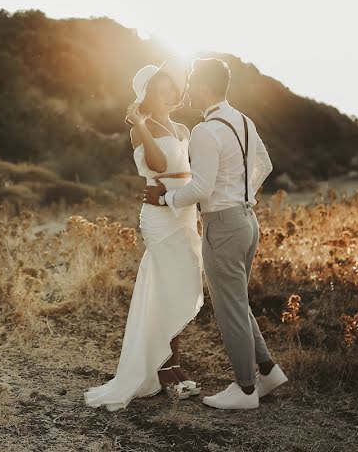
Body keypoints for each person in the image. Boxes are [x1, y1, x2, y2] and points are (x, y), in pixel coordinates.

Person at [143, 58, 288, 410]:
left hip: (223, 226)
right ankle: (267, 372)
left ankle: (245, 388)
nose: (187, 89)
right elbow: (265, 164)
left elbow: (202, 188)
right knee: (239, 303)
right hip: (247, 221)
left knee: (230, 309)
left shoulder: (207, 131)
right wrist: (242, 194)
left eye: (192, 83)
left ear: (206, 87)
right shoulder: (244, 121)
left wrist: (166, 197)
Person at [85, 59, 205, 411]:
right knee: (165, 290)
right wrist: (140, 121)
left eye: (172, 88)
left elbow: (192, 176)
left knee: (181, 289)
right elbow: (159, 166)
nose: (170, 94)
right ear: (147, 95)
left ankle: (170, 363)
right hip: (158, 218)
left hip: (183, 215)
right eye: (160, 89)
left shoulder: (184, 129)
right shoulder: (140, 127)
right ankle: (170, 369)